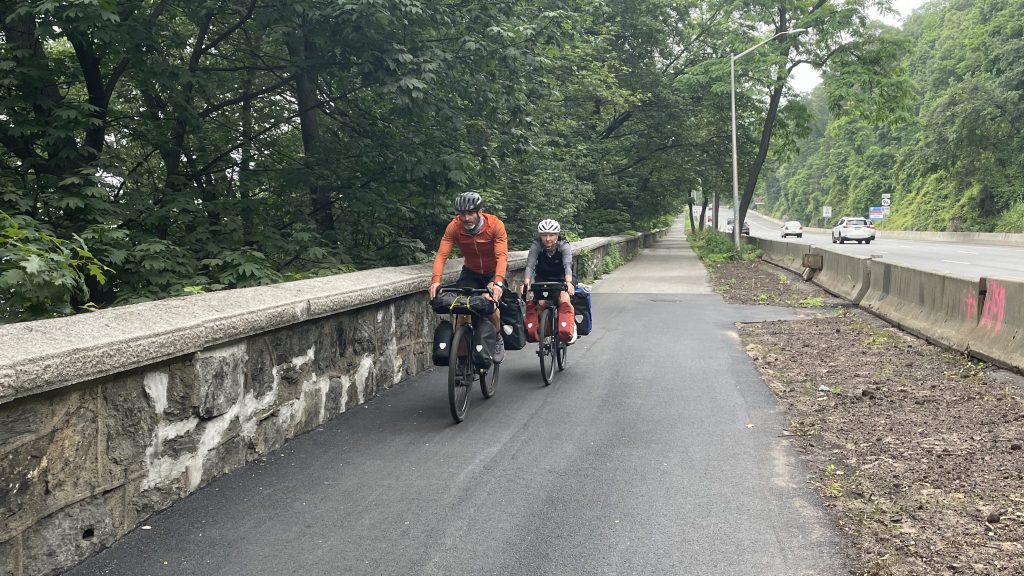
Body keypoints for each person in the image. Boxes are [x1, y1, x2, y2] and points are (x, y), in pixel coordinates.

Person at [429, 191, 508, 361]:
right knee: (462, 308)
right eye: (462, 214)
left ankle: (498, 338)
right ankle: (463, 360)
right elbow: (442, 255)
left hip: (492, 273)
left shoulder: (495, 225)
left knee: (489, 301)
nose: (466, 218)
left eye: (470, 213)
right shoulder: (454, 226)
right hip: (471, 272)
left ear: (480, 212)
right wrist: (436, 281)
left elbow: (502, 256)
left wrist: (498, 283)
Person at [523, 219, 577, 343]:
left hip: (563, 277)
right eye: (544, 235)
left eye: (551, 235)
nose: (548, 239)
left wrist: (568, 283)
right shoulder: (536, 246)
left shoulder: (564, 246)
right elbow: (530, 266)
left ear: (557, 235)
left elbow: (567, 265)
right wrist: (526, 283)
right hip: (544, 278)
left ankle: (570, 325)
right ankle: (546, 329)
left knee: (564, 299)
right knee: (541, 304)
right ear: (540, 236)